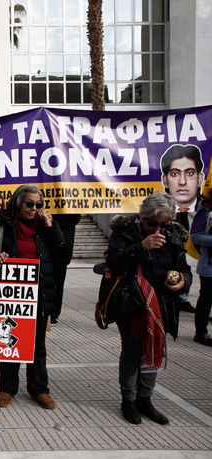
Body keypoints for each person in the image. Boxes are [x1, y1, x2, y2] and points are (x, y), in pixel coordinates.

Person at [0, 184, 70, 410]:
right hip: (12, 296)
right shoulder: (2, 226)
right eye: (29, 204)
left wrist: (51, 227)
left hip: (40, 295)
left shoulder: (46, 227)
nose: (34, 208)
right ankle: (6, 388)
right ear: (18, 203)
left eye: (38, 204)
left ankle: (39, 389)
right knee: (10, 342)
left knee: (37, 346)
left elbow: (63, 255)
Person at [106, 192, 191, 425]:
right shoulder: (125, 230)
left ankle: (145, 399)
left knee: (153, 349)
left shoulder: (173, 234)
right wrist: (141, 246)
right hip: (133, 302)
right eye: (152, 224)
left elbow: (184, 268)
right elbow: (113, 261)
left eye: (163, 225)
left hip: (162, 303)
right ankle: (128, 400)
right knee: (133, 350)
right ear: (142, 217)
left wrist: (182, 281)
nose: (157, 230)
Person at [160, 144, 204, 313]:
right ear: (165, 179)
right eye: (175, 173)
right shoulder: (156, 220)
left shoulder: (202, 210)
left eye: (190, 173)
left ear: (200, 178)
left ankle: (183, 297)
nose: (183, 181)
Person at [190, 194, 212, 347]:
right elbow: (195, 237)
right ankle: (201, 333)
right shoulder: (204, 213)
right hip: (209, 266)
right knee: (206, 300)